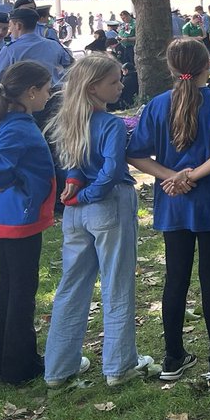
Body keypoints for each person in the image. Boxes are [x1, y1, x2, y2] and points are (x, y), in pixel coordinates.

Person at [127, 38, 210, 382]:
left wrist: (172, 177)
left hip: (173, 204)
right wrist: (190, 175)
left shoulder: (156, 105)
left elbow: (135, 154)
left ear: (170, 67)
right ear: (208, 65)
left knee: (175, 279)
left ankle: (173, 356)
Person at [44, 54, 155, 387]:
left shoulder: (69, 120)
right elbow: (110, 169)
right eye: (114, 82)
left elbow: (71, 166)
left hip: (75, 213)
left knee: (71, 286)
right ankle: (120, 365)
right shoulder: (110, 124)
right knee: (117, 282)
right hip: (106, 204)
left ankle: (58, 368)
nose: (121, 86)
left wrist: (76, 190)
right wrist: (89, 194)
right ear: (94, 87)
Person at [0, 62, 55, 384]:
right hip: (19, 217)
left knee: (9, 290)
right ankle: (20, 366)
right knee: (21, 292)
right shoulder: (18, 126)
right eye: (46, 89)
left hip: (13, 215)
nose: (49, 95)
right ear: (31, 92)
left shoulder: (15, 121)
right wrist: (17, 180)